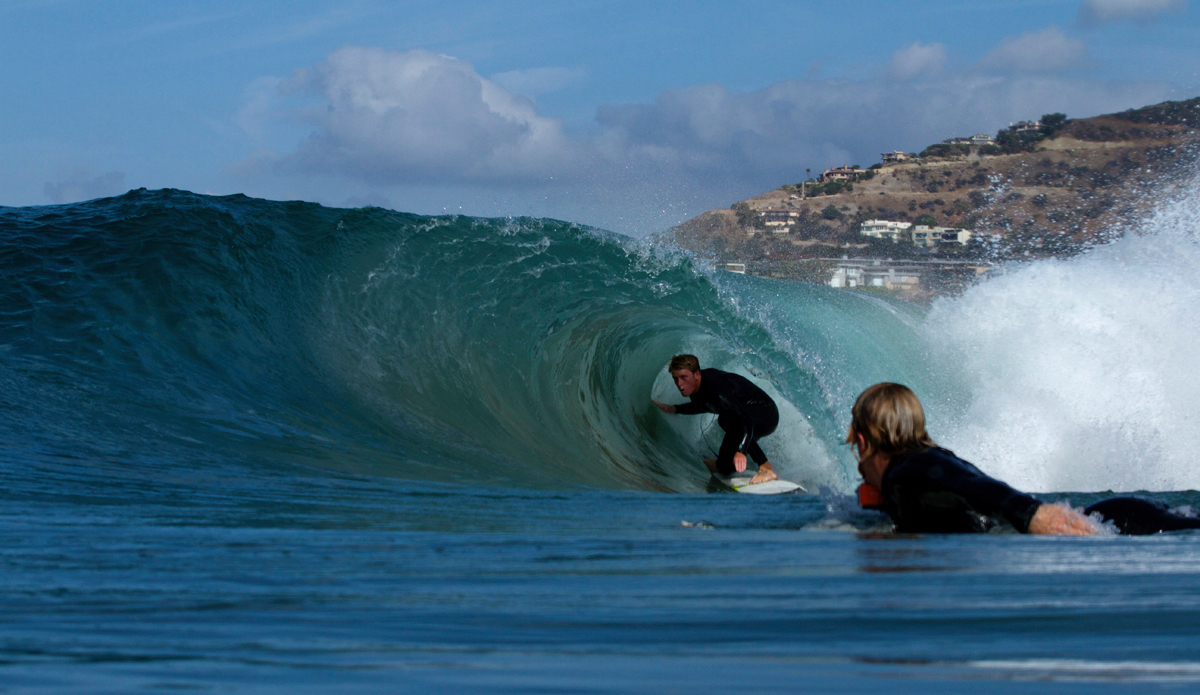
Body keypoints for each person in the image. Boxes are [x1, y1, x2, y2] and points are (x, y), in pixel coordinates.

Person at [848, 382, 1200, 536]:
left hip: (1119, 524)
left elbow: (969, 485)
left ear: (862, 441)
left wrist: (1030, 515)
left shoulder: (909, 470)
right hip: (1117, 516)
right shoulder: (925, 461)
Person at [652, 354, 780, 484]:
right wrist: (675, 409)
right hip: (744, 419)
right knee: (724, 469)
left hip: (766, 412)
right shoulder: (696, 388)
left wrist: (741, 451)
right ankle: (723, 464)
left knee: (725, 420)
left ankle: (765, 467)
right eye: (675, 378)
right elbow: (704, 405)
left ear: (696, 374)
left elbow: (745, 419)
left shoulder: (716, 389)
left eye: (683, 377)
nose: (679, 384)